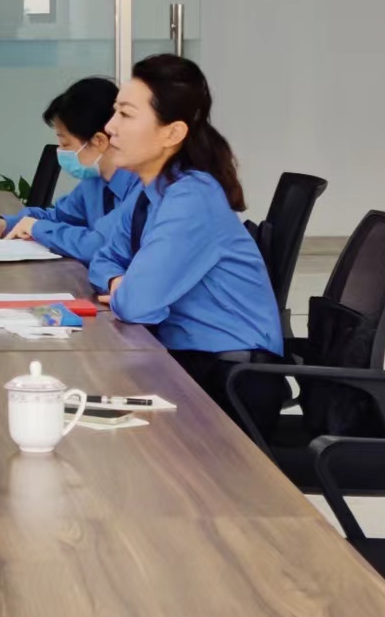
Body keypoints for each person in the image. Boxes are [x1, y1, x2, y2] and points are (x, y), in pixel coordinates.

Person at [87, 54, 285, 424]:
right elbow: (102, 259)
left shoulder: (192, 198)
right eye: (115, 112)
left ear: (172, 133)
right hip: (186, 361)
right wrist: (118, 281)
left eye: (126, 114)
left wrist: (128, 290)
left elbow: (136, 305)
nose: (111, 127)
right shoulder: (151, 191)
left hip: (230, 380)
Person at [0, 77, 139, 265]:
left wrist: (37, 229)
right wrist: (5, 224)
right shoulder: (94, 182)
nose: (60, 151)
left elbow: (100, 245)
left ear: (99, 141)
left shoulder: (141, 185)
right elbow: (58, 217)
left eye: (65, 143)